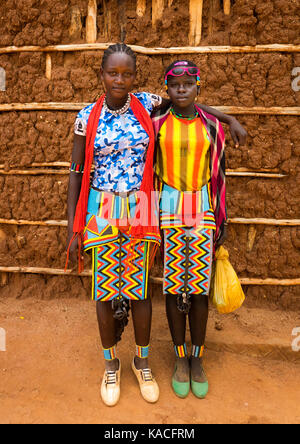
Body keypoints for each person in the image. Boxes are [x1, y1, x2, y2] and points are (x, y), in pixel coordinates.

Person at [66, 44, 246, 407]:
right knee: (104, 288)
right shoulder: (86, 117)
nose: (119, 79)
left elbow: (190, 105)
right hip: (101, 205)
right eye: (112, 73)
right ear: (101, 75)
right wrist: (73, 226)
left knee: (139, 287)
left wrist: (227, 119)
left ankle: (142, 362)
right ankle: (111, 364)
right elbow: (75, 171)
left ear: (134, 77)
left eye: (126, 74)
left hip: (143, 203)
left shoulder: (147, 103)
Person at [152, 60, 232, 399]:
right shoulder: (155, 123)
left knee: (199, 288)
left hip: (201, 206)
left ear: (198, 86)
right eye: (175, 85)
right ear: (168, 90)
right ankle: (179, 357)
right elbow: (147, 171)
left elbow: (220, 175)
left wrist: (222, 217)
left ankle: (197, 358)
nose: (181, 89)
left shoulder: (213, 126)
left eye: (188, 84)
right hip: (167, 206)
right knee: (174, 286)